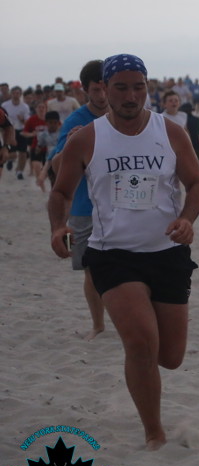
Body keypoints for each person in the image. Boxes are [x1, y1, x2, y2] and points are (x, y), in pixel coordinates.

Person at [48, 53, 199, 450]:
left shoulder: (170, 132)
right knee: (140, 343)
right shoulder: (87, 138)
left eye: (139, 87)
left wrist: (187, 219)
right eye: (121, 88)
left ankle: (145, 376)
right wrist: (58, 226)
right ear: (104, 89)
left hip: (167, 252)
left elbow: (196, 184)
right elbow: (61, 191)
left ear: (147, 88)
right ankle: (154, 432)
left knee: (170, 356)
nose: (131, 96)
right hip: (113, 254)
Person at [48, 60, 110, 340]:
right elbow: (55, 166)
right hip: (83, 207)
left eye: (106, 88)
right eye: (96, 90)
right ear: (85, 90)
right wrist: (71, 144)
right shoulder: (75, 120)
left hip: (119, 204)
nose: (103, 95)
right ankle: (98, 324)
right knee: (90, 269)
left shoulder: (123, 114)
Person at [2, 86, 32, 178]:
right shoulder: (5, 105)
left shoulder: (25, 106)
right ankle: (10, 160)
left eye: (18, 93)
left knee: (23, 153)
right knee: (13, 154)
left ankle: (19, 172)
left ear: (20, 94)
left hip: (22, 130)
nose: (16, 95)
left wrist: (22, 119)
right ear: (11, 94)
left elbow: (27, 122)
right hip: (10, 131)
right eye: (14, 93)